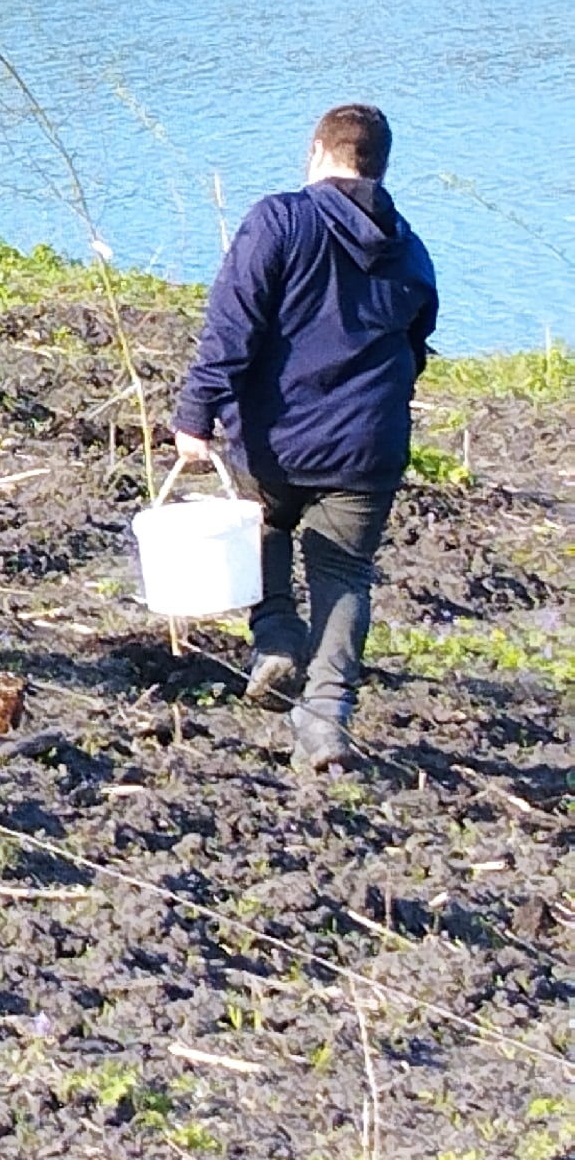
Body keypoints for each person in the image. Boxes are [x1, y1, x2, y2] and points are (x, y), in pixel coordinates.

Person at [172, 104, 439, 769]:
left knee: (258, 527)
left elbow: (232, 327)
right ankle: (324, 722)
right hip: (367, 447)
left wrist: (194, 412)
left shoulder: (280, 219)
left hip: (275, 436)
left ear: (319, 153)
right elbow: (417, 344)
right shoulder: (410, 246)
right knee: (344, 576)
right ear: (377, 164)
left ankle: (277, 639)